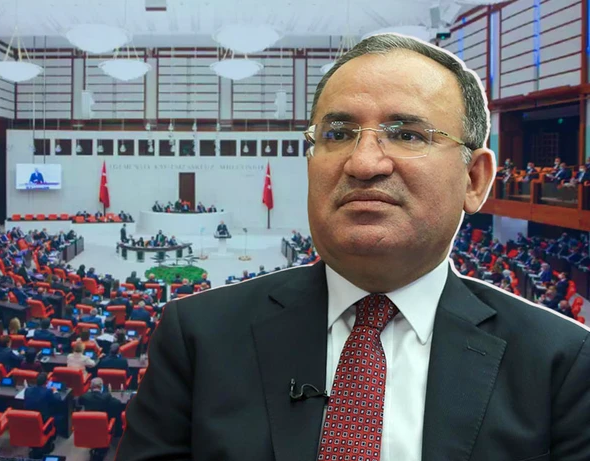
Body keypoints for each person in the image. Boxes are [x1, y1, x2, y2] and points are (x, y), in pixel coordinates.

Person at [117, 34, 590, 460]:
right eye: (338, 134)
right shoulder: (198, 337)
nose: (363, 163)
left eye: (407, 134)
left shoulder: (562, 365)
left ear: (474, 179)